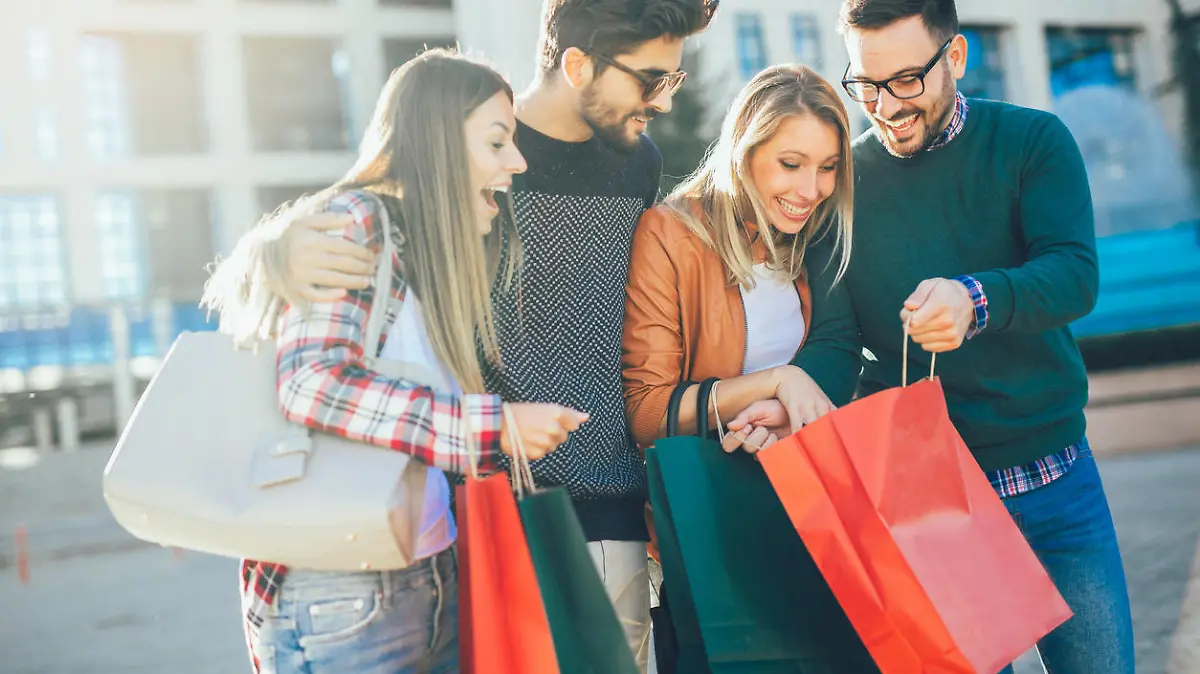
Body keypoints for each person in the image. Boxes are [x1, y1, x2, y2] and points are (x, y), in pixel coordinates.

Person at [211, 2, 718, 670]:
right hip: (449, 527)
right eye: (648, 80)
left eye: (673, 81)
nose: (662, 102)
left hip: (523, 530)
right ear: (578, 64)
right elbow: (323, 319)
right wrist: (270, 249)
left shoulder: (625, 167)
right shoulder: (424, 194)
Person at [762, 1, 1135, 672]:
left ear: (955, 57)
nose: (886, 105)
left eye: (906, 80)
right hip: (927, 500)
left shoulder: (1033, 142)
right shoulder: (842, 190)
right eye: (866, 84)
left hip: (1056, 484)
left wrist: (976, 299)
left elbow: (1074, 274)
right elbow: (837, 343)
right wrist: (787, 397)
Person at [202, 49, 586, 674]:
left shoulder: (425, 250)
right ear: (436, 140)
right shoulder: (360, 222)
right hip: (345, 590)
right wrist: (493, 427)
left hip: (423, 572)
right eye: (497, 142)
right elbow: (312, 384)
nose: (516, 161)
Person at [621, 63, 878, 672]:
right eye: (790, 164)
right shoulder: (671, 234)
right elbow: (647, 412)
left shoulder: (816, 239)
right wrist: (773, 382)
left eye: (827, 167)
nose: (811, 188)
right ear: (744, 150)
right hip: (717, 529)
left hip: (815, 521)